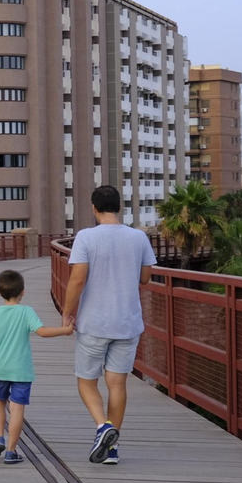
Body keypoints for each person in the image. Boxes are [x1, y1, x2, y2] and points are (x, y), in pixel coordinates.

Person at [61, 185, 158, 465]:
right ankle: (112, 449)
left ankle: (103, 427)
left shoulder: (86, 237)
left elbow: (78, 279)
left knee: (86, 381)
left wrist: (68, 313)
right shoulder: (138, 237)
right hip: (127, 322)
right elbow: (145, 278)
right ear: (120, 207)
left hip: (94, 322)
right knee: (117, 384)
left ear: (94, 208)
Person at [0, 269, 73, 464]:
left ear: (0, 292)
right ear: (23, 291)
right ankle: (11, 451)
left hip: (0, 369)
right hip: (21, 371)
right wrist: (65, 330)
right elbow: (42, 332)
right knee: (17, 410)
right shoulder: (26, 311)